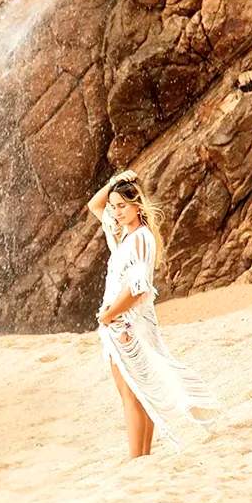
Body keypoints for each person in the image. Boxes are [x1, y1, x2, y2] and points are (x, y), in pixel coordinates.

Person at [87, 170, 217, 457]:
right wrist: (115, 181)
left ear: (138, 205)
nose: (116, 212)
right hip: (122, 324)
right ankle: (142, 455)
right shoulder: (124, 236)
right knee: (136, 392)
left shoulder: (140, 239)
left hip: (125, 326)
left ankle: (137, 458)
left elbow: (138, 288)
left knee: (131, 395)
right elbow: (94, 206)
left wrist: (108, 316)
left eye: (122, 205)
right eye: (115, 207)